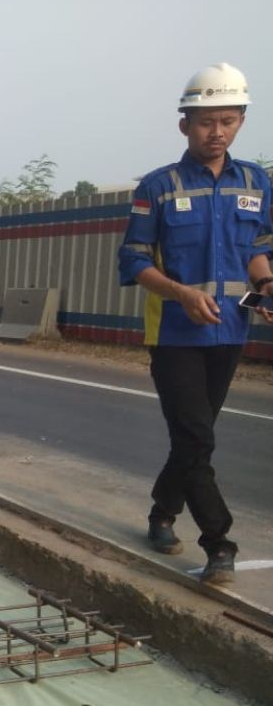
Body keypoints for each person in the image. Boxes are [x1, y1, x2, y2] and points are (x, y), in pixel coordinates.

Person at [117, 62, 273, 585]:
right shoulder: (159, 187)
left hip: (230, 332)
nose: (217, 131)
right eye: (206, 121)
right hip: (175, 334)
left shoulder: (256, 181)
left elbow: (257, 247)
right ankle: (219, 542)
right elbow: (134, 259)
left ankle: (162, 514)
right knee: (196, 437)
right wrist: (180, 294)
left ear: (242, 121)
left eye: (228, 120)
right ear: (185, 124)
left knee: (192, 439)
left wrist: (267, 285)